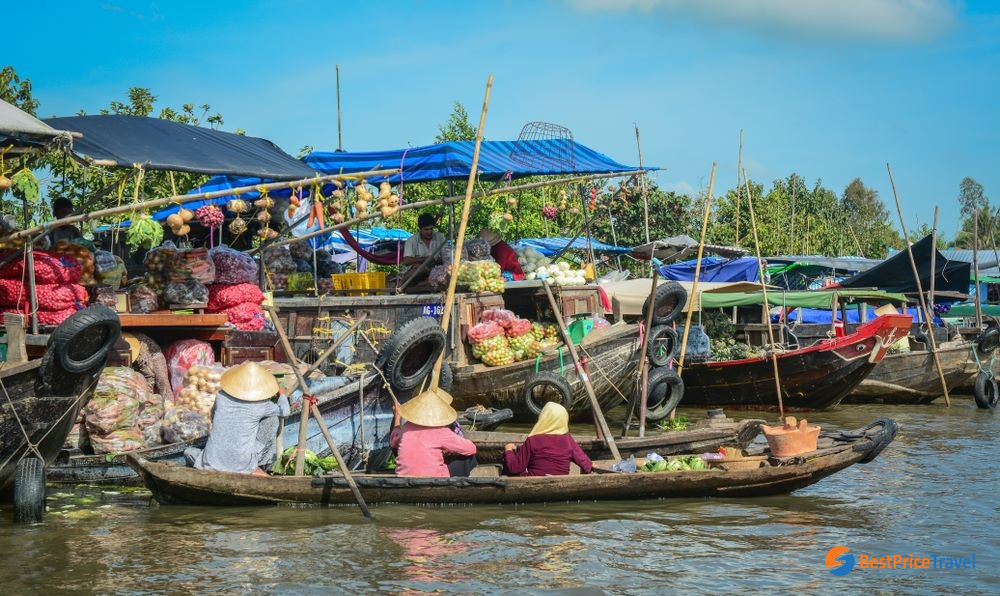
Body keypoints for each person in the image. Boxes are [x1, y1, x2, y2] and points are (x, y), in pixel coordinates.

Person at [184, 361, 289, 476]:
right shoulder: (262, 405)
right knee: (273, 419)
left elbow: (214, 417)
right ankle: (261, 465)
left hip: (210, 464)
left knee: (189, 452)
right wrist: (282, 394)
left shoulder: (221, 396)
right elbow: (285, 411)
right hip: (242, 466)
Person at [389, 391, 477, 477]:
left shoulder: (406, 427)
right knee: (470, 458)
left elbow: (393, 440)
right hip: (435, 478)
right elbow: (471, 448)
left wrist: (397, 417)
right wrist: (449, 448)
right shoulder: (442, 432)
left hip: (403, 477)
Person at [503, 402, 592, 476]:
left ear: (543, 417)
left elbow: (515, 468)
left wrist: (509, 451)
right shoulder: (568, 440)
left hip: (534, 482)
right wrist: (591, 464)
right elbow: (586, 465)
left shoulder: (532, 440)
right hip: (561, 482)